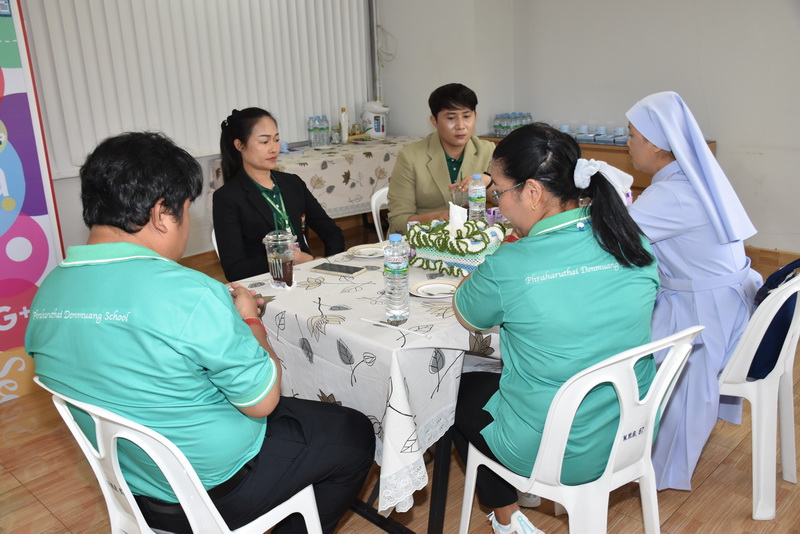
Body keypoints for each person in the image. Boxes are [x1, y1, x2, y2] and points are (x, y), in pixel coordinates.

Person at [25, 132, 374, 534]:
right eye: (187, 211)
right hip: (216, 490)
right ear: (161, 213)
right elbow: (263, 402)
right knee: (352, 433)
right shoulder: (188, 292)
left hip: (133, 485)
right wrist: (249, 320)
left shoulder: (48, 293)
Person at [452, 123, 659, 533]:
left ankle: (507, 517)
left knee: (454, 389)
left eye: (498, 191)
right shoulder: (631, 240)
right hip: (627, 431)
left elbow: (467, 313)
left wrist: (496, 260)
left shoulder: (512, 264)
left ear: (532, 192)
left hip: (556, 450)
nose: (497, 202)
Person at [626, 91, 763, 490]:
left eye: (631, 135)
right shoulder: (692, 180)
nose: (627, 143)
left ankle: (634, 454)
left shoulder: (670, 194)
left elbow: (612, 236)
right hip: (729, 303)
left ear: (655, 144)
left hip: (704, 313)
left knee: (618, 346)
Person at [213, 108, 345, 281]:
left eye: (276, 140)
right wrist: (287, 258)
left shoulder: (292, 183)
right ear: (239, 145)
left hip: (307, 277)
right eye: (264, 142)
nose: (274, 149)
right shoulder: (227, 198)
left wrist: (328, 265)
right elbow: (234, 270)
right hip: (266, 283)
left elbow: (332, 233)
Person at [387, 83, 495, 234]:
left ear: (475, 116)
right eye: (451, 118)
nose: (460, 125)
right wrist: (436, 218)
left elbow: (508, 203)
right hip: (425, 239)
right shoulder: (410, 156)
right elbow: (398, 221)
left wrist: (488, 183)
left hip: (472, 238)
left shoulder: (487, 150)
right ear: (434, 121)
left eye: (466, 116)